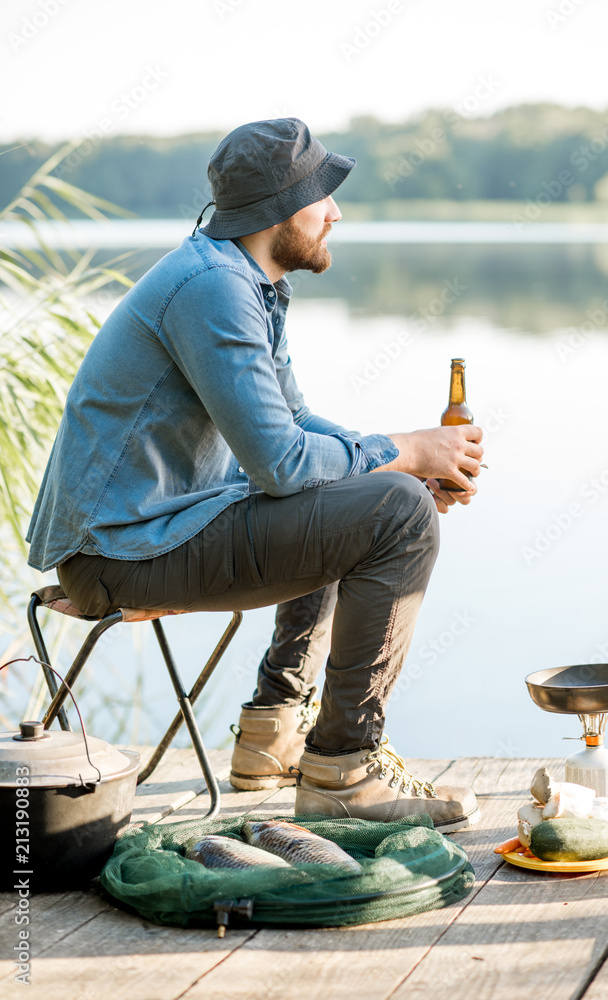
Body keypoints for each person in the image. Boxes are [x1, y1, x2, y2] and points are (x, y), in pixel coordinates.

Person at [27, 118, 484, 832]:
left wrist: (403, 455)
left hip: (146, 539)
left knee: (367, 494)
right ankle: (344, 769)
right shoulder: (211, 288)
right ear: (278, 207)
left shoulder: (241, 281)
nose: (335, 213)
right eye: (322, 196)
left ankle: (272, 735)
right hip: (118, 555)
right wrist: (405, 456)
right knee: (393, 509)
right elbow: (280, 463)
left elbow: (295, 427)